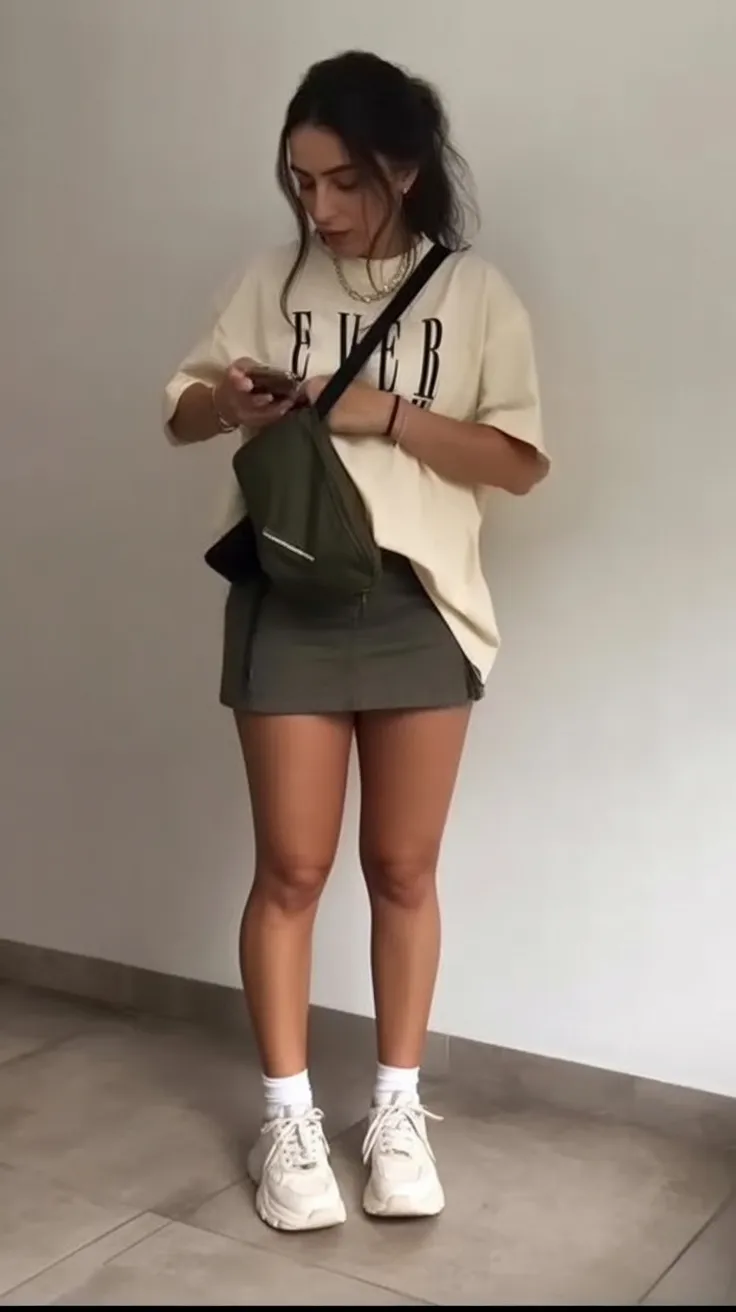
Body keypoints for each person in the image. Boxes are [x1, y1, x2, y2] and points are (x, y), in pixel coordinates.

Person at [163, 49, 548, 1233]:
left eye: (342, 181)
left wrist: (390, 413)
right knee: (291, 869)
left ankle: (394, 1110)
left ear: (404, 169)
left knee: (403, 869)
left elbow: (516, 462)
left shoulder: (474, 295)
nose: (318, 207)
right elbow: (181, 412)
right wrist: (229, 403)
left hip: (419, 603)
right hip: (289, 595)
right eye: (300, 181)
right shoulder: (268, 279)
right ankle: (287, 1118)